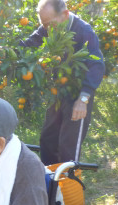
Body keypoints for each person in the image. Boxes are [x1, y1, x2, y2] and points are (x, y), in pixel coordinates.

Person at [20, 0, 105, 165]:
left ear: (65, 15)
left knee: (69, 147)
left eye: (49, 24)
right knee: (48, 140)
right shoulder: (48, 28)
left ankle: (67, 188)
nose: (46, 29)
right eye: (43, 25)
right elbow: (29, 45)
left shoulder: (84, 31)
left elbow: (96, 65)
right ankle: (50, 184)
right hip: (58, 92)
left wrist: (83, 99)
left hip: (79, 93)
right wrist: (6, 51)